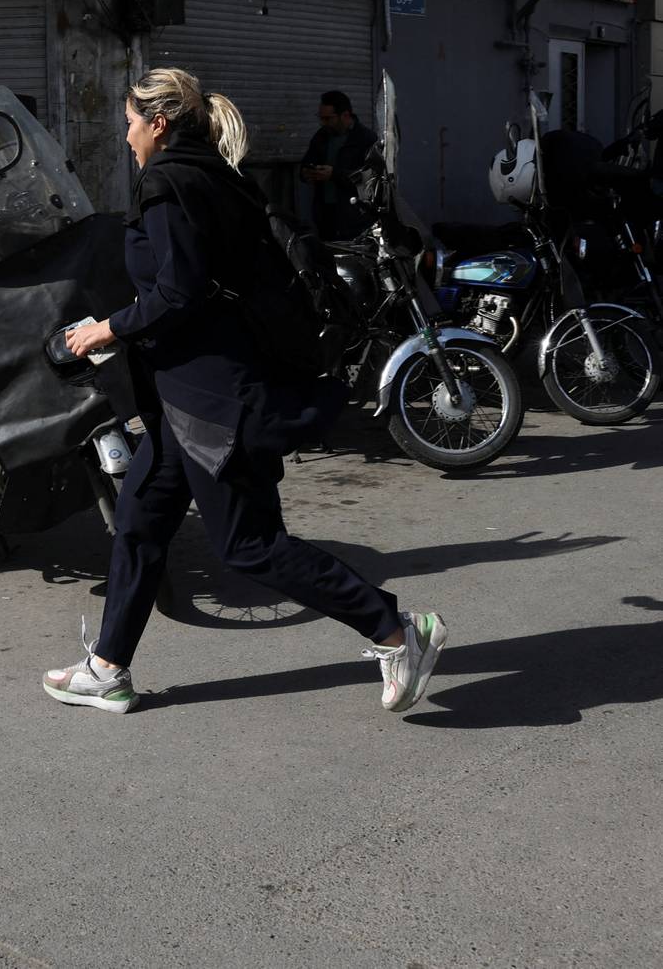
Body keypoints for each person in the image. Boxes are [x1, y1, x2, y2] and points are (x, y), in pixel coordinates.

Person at [42, 68, 446, 715]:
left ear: (159, 124)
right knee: (140, 524)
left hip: (211, 403)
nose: (126, 136)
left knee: (249, 544)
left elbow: (178, 291)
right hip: (185, 399)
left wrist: (105, 329)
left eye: (130, 123)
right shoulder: (217, 175)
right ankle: (107, 669)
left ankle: (398, 632)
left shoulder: (167, 182)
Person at [300, 90, 377, 240]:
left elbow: (370, 179)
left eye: (328, 118)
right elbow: (307, 161)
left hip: (353, 217)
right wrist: (306, 172)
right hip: (326, 215)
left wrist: (334, 174)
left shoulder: (366, 139)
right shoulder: (321, 136)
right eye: (321, 118)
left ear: (345, 115)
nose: (323, 123)